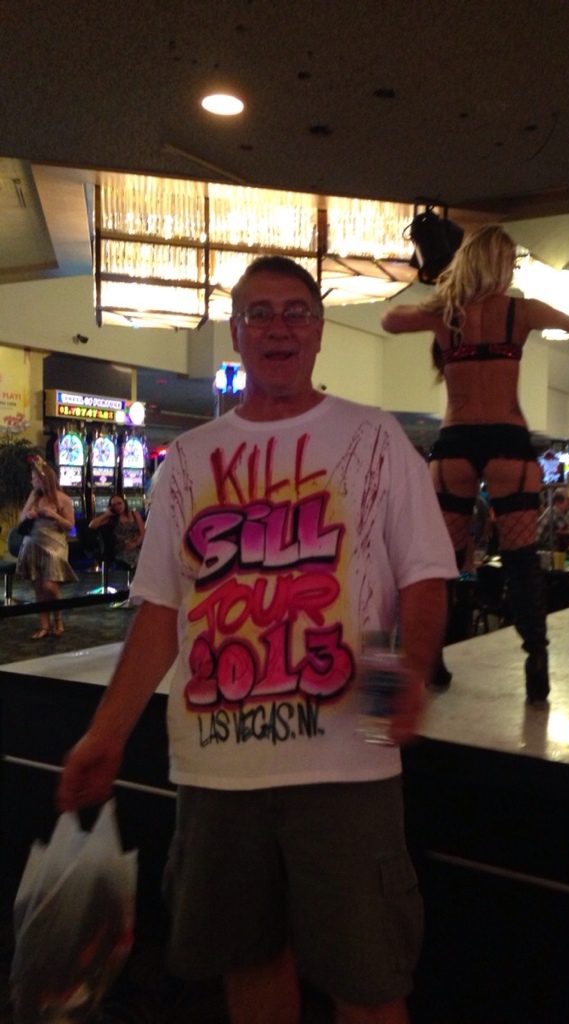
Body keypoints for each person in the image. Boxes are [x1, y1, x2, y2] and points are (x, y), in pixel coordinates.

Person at [57, 255, 456, 1024]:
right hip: (218, 773)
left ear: (319, 332)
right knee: (249, 968)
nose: (279, 327)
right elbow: (160, 611)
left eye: (296, 312)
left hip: (346, 765)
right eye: (260, 314)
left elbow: (425, 574)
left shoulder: (375, 438)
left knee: (370, 982)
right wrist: (106, 734)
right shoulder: (188, 462)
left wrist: (410, 668)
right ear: (236, 334)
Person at [380, 224, 569, 702]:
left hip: (455, 445)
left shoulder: (446, 312)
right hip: (508, 442)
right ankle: (536, 660)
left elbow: (390, 320)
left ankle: (435, 659)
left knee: (443, 563)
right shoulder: (520, 311)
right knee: (522, 563)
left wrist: (438, 296)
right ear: (500, 265)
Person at [15, 456, 77, 638]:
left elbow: (70, 527)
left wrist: (54, 515)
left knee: (49, 585)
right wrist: (29, 515)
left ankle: (57, 618)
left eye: (34, 478)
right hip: (33, 543)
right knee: (38, 587)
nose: (32, 481)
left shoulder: (63, 499)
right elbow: (21, 518)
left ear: (44, 479)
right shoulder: (34, 496)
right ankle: (44, 625)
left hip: (54, 545)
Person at [88, 493, 145, 571]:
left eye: (119, 503)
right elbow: (92, 525)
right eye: (114, 505)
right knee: (139, 561)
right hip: (122, 547)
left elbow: (142, 533)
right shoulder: (112, 518)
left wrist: (136, 543)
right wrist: (106, 514)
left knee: (150, 557)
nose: (117, 507)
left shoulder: (134, 514)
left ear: (124, 503)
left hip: (137, 544)